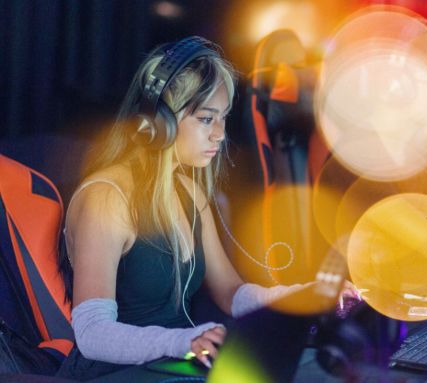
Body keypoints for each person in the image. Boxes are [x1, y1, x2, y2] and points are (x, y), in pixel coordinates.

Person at [57, 36, 356, 381]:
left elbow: (232, 293)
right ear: (159, 122)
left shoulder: (189, 192)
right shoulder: (107, 198)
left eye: (223, 118)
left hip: (173, 365)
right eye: (205, 119)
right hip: (112, 373)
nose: (220, 134)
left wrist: (304, 297)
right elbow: (93, 334)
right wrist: (184, 340)